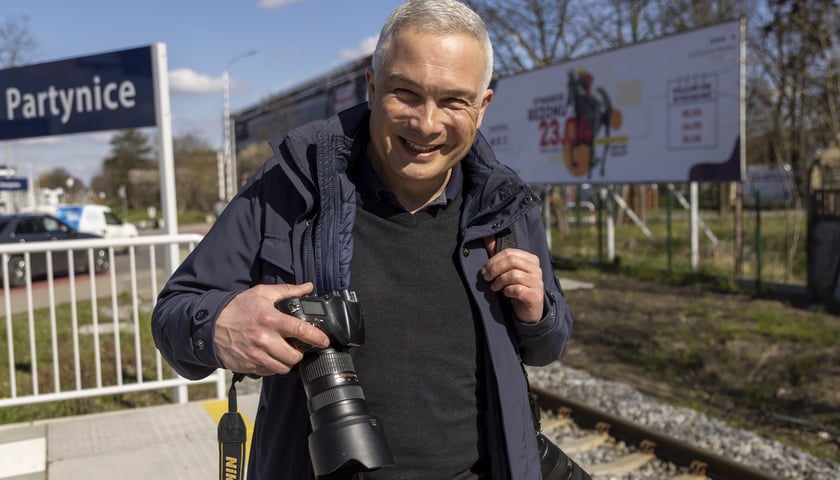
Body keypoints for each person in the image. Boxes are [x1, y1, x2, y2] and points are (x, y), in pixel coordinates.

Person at [151, 0, 574, 478]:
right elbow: (173, 314)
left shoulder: (505, 204)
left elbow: (548, 345)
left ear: (483, 106)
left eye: (454, 101)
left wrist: (539, 311)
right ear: (372, 87)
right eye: (406, 93)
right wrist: (219, 327)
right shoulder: (294, 185)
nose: (427, 123)